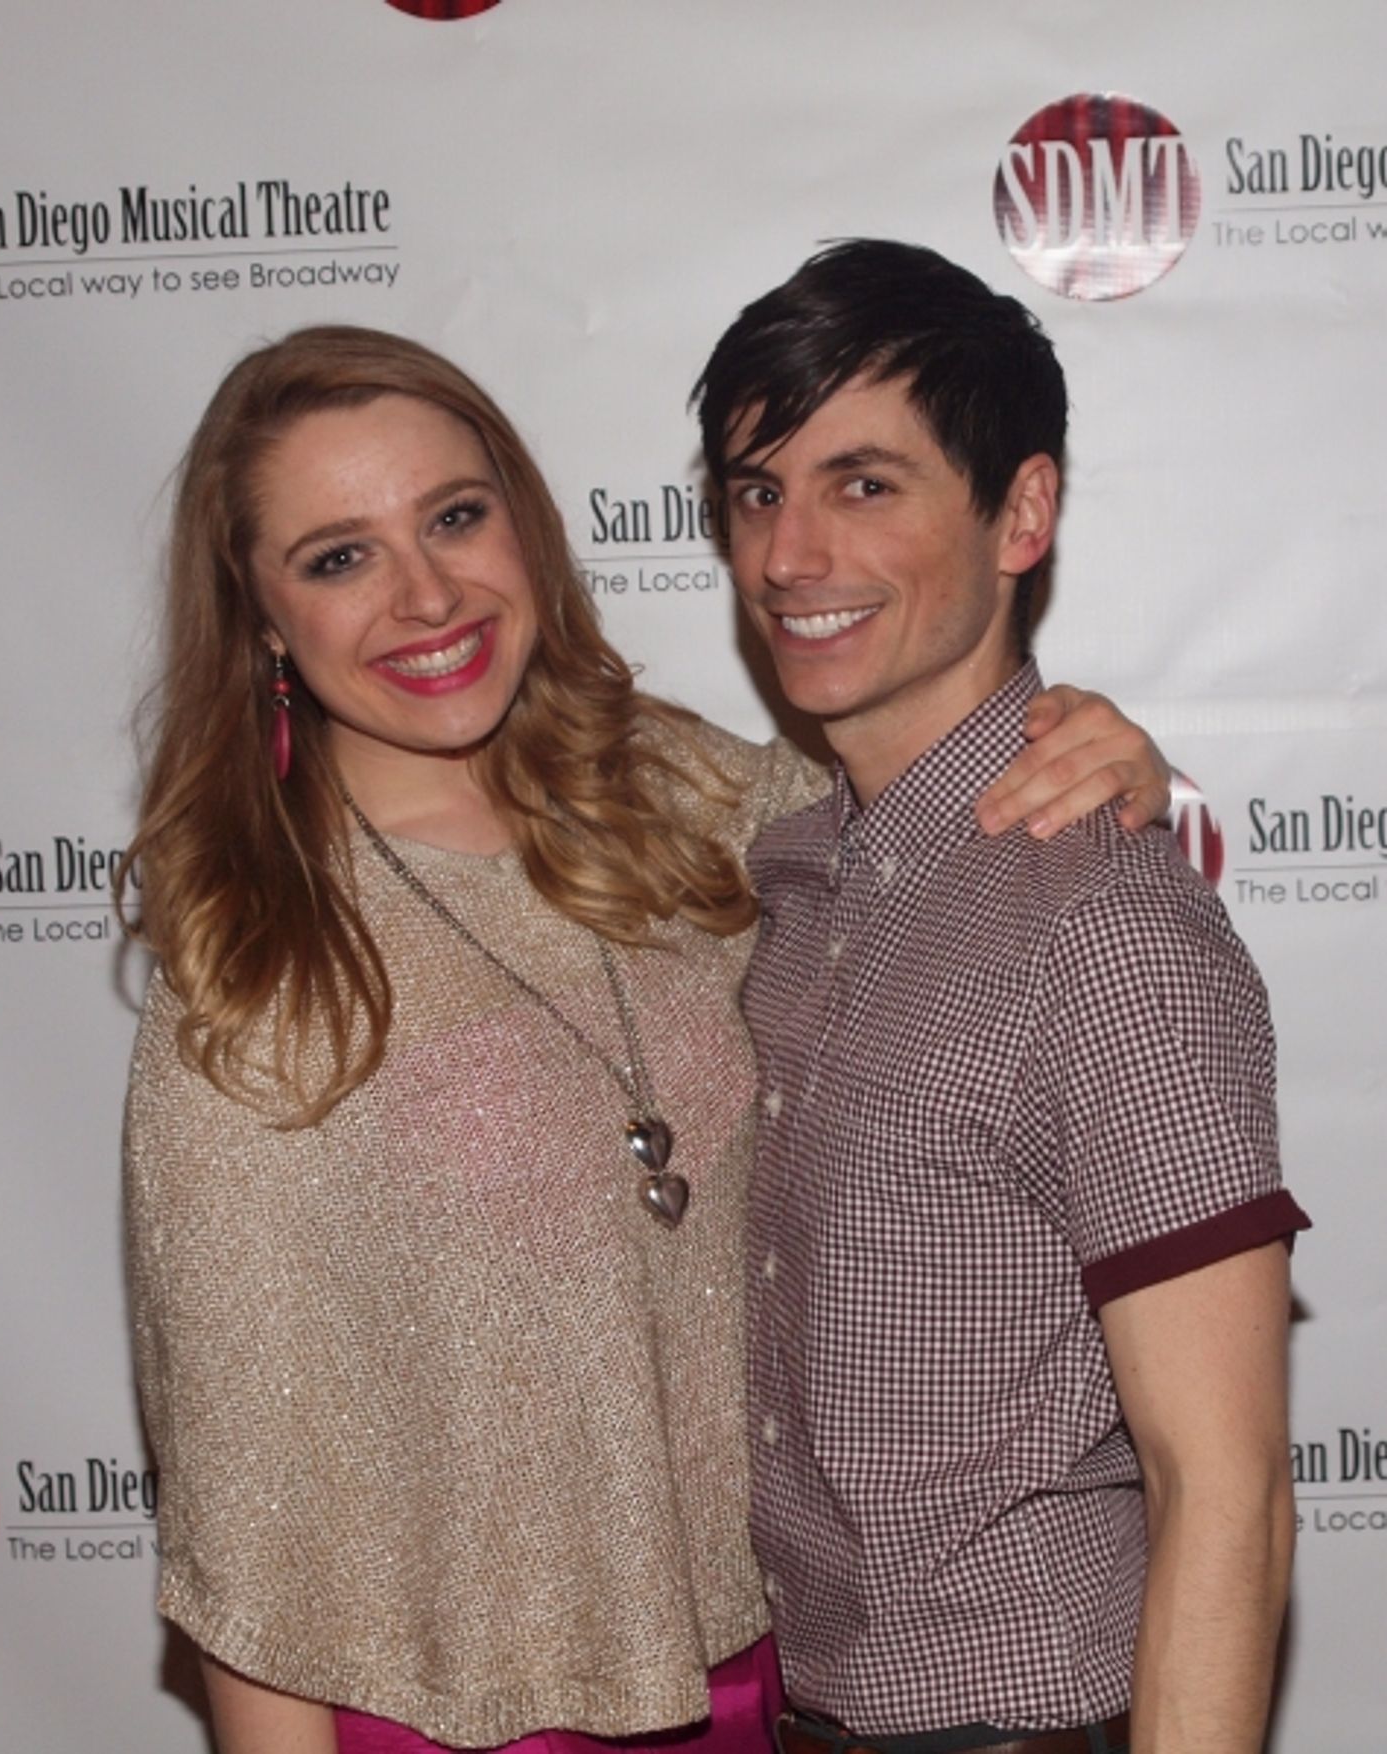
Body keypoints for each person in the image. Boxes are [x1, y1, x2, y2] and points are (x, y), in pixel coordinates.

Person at [120, 323, 1170, 1754]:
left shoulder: (693, 797)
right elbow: (251, 1538)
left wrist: (1090, 741)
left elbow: (941, 806)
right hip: (455, 1719)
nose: (426, 594)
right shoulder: (256, 970)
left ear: (528, 529)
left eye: (454, 517)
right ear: (260, 617)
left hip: (779, 1682)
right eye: (338, 556)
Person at [691, 239, 1310, 1754]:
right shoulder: (797, 872)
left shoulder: (1099, 924)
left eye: (865, 484)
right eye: (758, 491)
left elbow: (1225, 1495)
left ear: (1020, 511)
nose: (789, 554)